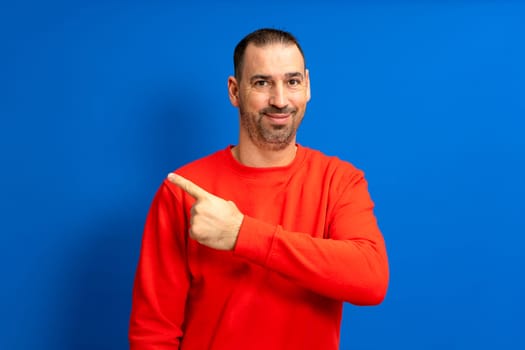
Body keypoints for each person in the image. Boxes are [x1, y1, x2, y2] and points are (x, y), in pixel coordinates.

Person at [129, 28, 389, 350]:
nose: (280, 100)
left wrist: (242, 235)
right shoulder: (183, 191)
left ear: (307, 87)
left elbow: (371, 279)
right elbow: (153, 332)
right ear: (234, 91)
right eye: (262, 83)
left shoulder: (339, 181)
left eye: (292, 82)